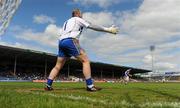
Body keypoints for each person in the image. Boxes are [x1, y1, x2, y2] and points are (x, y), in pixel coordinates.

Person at [44, 8, 118, 92]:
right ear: (77, 14)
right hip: (70, 40)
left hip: (61, 42)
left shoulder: (66, 22)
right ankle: (90, 86)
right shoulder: (77, 19)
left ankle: (48, 85)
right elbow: (91, 25)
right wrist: (108, 29)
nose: (82, 15)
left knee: (58, 66)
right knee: (85, 61)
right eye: (81, 14)